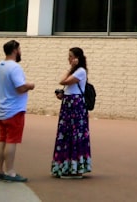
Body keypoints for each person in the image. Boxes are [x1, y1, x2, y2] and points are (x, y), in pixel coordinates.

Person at [0, 39, 35, 183]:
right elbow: (20, 87)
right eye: (19, 49)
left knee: (2, 139)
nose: (20, 51)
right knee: (12, 141)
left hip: (2, 109)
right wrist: (30, 85)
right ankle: (10, 172)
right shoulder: (15, 67)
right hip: (15, 110)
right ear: (15, 50)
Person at [52, 47, 92, 178]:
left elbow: (62, 81)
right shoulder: (76, 72)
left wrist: (70, 68)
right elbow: (69, 87)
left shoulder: (80, 71)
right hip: (69, 104)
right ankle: (65, 166)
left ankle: (75, 169)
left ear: (77, 58)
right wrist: (63, 95)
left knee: (74, 135)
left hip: (75, 106)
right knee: (66, 134)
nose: (68, 59)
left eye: (70, 56)